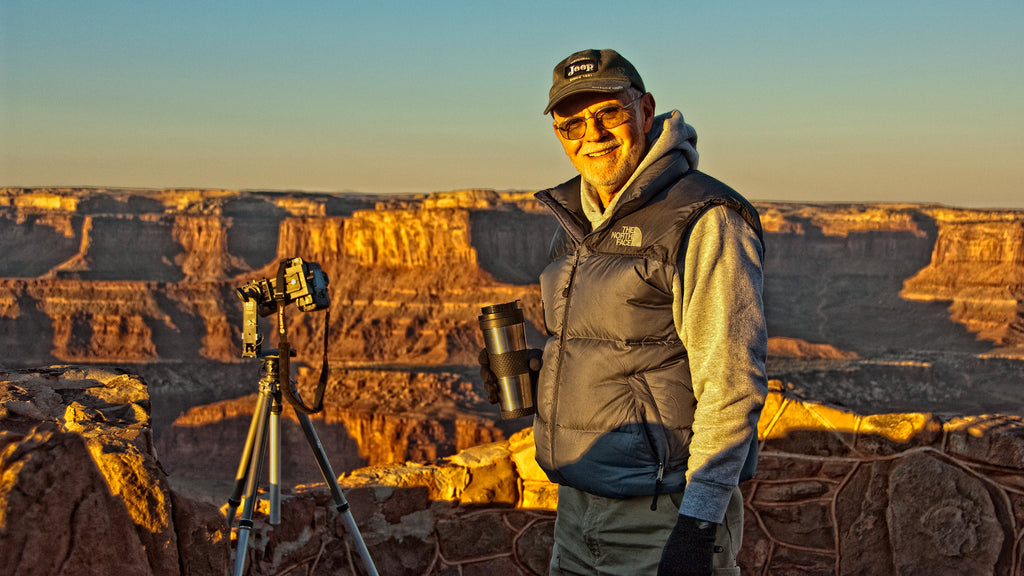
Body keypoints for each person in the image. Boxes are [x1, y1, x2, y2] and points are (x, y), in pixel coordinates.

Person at [481, 48, 767, 576]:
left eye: (608, 112)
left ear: (645, 108)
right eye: (571, 124)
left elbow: (731, 384)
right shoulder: (575, 224)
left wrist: (697, 526)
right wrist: (541, 375)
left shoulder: (705, 217)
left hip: (661, 517)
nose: (592, 134)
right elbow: (613, 352)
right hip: (577, 512)